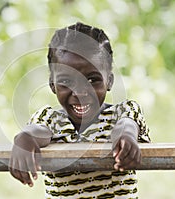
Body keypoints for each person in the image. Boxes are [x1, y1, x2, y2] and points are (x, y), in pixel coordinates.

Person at [9, 22, 150, 199]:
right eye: (67, 81)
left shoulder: (123, 112)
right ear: (53, 85)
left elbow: (126, 125)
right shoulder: (49, 119)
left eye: (92, 80)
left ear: (110, 81)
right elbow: (38, 131)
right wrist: (24, 138)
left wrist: (127, 136)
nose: (81, 92)